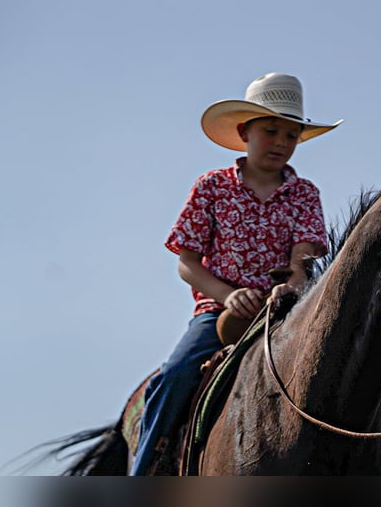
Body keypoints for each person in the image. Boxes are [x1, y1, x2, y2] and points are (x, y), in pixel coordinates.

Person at [130, 73, 342, 475]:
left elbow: (304, 263)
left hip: (287, 312)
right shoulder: (212, 187)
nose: (282, 142)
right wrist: (229, 296)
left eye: (291, 135)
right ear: (246, 131)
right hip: (219, 312)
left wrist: (290, 288)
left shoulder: (305, 194)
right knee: (174, 376)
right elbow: (186, 263)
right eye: (272, 131)